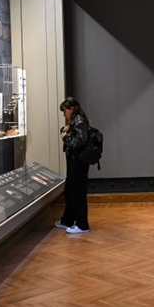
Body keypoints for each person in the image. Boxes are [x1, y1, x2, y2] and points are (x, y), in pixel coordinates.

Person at [55, 97, 91, 234]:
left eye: (65, 111)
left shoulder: (79, 121)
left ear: (72, 109)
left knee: (77, 193)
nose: (64, 114)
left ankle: (82, 225)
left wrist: (65, 136)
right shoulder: (76, 121)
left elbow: (79, 141)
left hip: (78, 163)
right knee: (71, 192)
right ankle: (67, 220)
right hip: (75, 162)